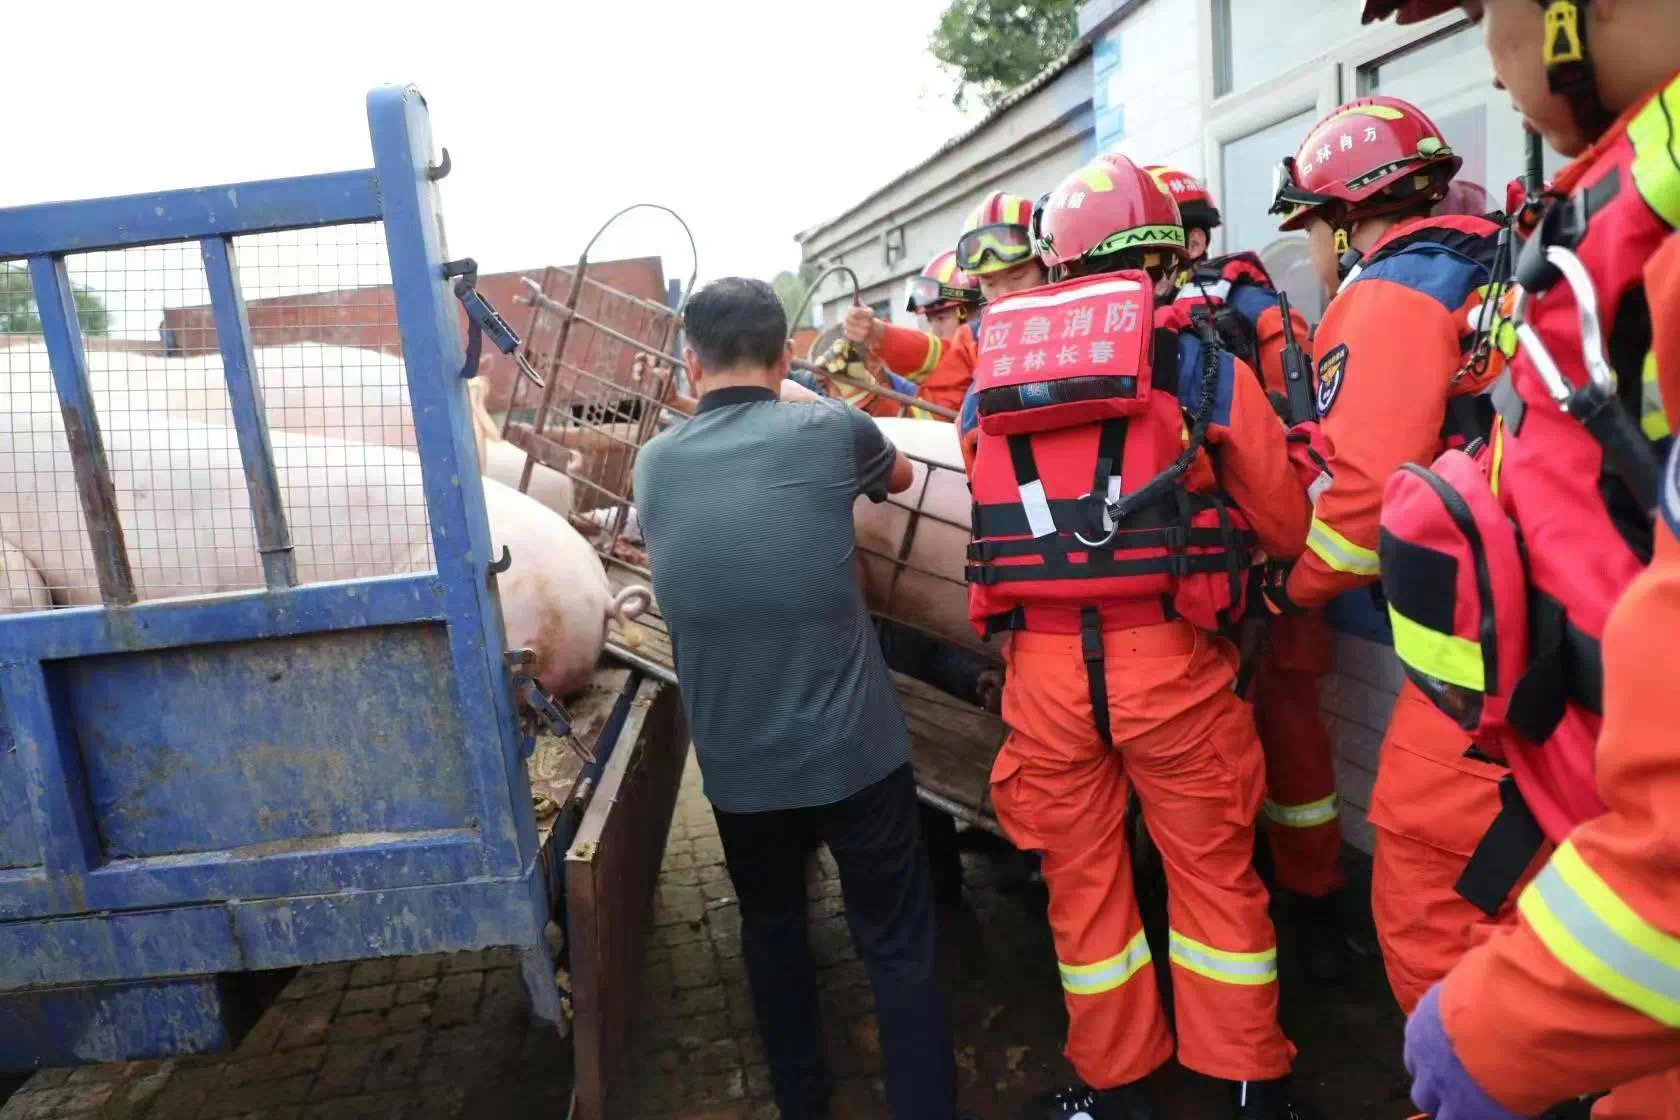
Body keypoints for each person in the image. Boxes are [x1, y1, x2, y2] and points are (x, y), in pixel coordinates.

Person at [1350, 1, 1680, 1116]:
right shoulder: (1615, 214)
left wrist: (1499, 1033)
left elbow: (1351, 496)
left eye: (1489, 7)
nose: (1487, 49)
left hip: (1590, 825)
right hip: (1587, 789)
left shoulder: (1387, 295)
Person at [966, 152, 1311, 1120]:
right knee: (1214, 878)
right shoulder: (1207, 363)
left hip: (1042, 670)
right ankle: (1246, 1082)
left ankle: (1116, 1093)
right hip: (1173, 666)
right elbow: (1284, 525)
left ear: (1059, 262)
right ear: (1167, 252)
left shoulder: (989, 374)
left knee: (1084, 887)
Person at [632, 277, 961, 1120]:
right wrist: (808, 395)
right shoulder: (826, 426)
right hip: (858, 754)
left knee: (773, 932)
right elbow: (892, 476)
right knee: (896, 944)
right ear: (786, 355)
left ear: (689, 361)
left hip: (743, 771)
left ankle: (802, 1102)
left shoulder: (654, 462)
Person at [1263, 94, 1540, 1017]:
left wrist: (1294, 588)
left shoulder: (1384, 293)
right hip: (1561, 624)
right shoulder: (1496, 257)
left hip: (1483, 661)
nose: (1309, 250)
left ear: (1346, 219)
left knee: (1427, 902)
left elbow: (1361, 502)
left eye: (1310, 225)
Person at [1146, 162, 1349, 983]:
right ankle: (1310, 918)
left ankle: (1286, 913)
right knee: (1276, 747)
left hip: (1226, 579)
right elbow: (1300, 429)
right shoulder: (1250, 309)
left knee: (1266, 751)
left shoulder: (1205, 317)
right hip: (1249, 569)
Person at [846, 192, 1051, 425]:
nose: (1003, 294)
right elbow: (936, 415)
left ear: (1048, 266)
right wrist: (876, 342)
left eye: (1018, 275)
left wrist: (879, 336)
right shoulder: (973, 340)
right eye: (989, 283)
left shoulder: (1085, 319)